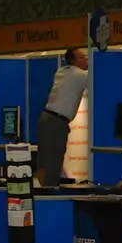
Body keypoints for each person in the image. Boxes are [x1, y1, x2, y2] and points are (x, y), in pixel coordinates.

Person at [36, 46, 90, 188]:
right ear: (73, 61)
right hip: (56, 122)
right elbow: (96, 79)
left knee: (44, 159)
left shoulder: (61, 71)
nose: (86, 59)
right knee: (54, 159)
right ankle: (49, 193)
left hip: (46, 117)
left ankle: (42, 190)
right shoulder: (79, 75)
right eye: (82, 57)